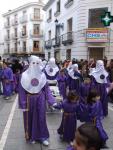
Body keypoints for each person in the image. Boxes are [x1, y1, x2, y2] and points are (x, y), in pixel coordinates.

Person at [18, 55, 56, 146]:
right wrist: (23, 104)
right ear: (30, 63)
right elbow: (21, 91)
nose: (36, 65)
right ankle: (31, 136)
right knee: (29, 119)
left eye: (37, 63)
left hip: (40, 99)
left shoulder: (42, 76)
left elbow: (46, 89)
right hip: (29, 100)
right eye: (33, 63)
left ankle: (42, 137)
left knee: (41, 118)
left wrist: (51, 101)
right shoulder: (23, 76)